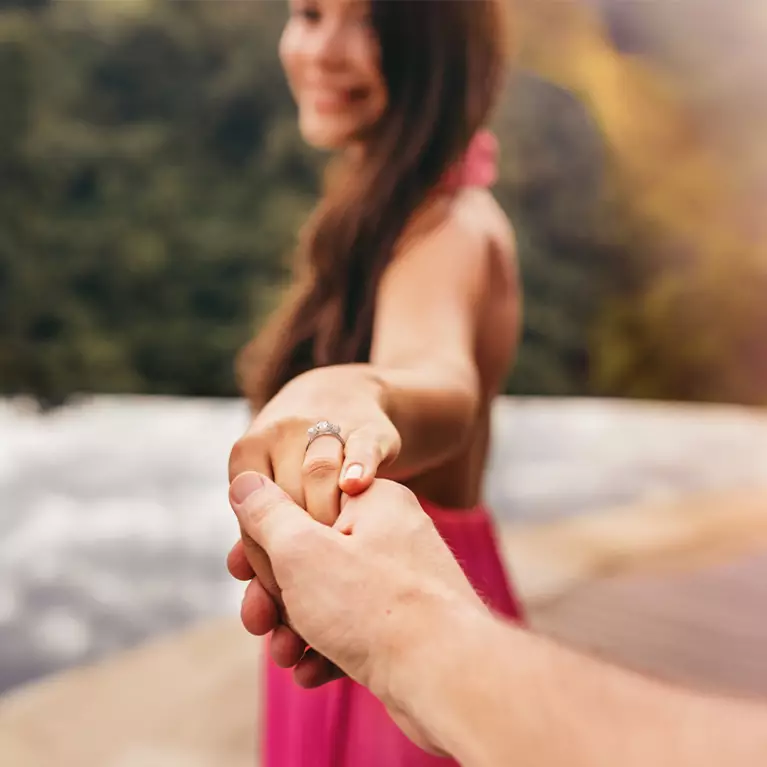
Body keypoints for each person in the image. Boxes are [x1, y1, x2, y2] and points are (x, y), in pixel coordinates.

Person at [227, 1, 522, 765]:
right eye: (309, 12)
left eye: (367, 21)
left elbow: (437, 382)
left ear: (440, 43)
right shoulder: (389, 208)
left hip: (406, 619)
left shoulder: (451, 225)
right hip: (360, 613)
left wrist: (356, 397)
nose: (322, 49)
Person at [228, 471, 767, 767]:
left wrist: (342, 398)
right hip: (350, 597)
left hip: (402, 586)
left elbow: (442, 378)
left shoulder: (441, 259)